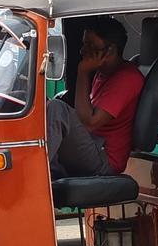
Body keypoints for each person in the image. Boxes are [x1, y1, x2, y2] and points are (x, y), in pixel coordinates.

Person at [45, 17, 144, 179]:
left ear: (110, 51)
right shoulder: (102, 73)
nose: (82, 51)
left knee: (57, 108)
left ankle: (35, 170)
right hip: (91, 146)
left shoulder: (126, 78)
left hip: (103, 159)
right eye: (84, 44)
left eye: (90, 45)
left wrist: (83, 72)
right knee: (31, 102)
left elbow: (88, 123)